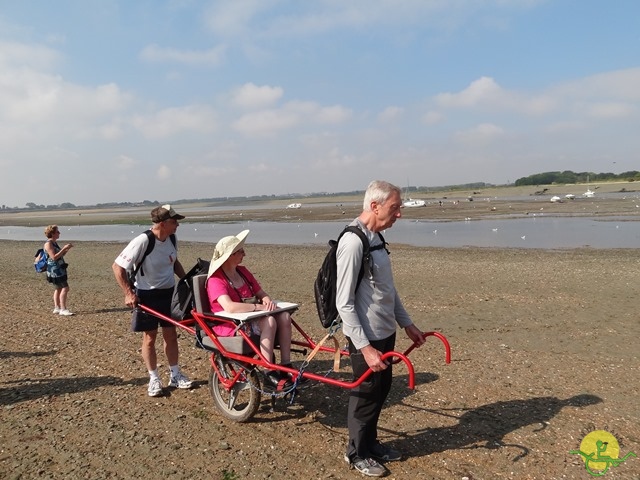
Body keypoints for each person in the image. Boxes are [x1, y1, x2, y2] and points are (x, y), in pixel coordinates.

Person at [337, 180, 426, 477]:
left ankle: (371, 444)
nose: (399, 213)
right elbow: (344, 303)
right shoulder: (353, 242)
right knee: (366, 395)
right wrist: (365, 347)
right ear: (374, 206)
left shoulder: (376, 238)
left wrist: (408, 324)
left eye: (399, 207)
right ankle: (356, 453)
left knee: (382, 389)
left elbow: (388, 290)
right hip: (367, 337)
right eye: (395, 207)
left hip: (386, 332)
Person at [112, 204, 192, 397]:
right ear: (163, 223)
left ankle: (175, 374)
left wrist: (187, 281)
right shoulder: (143, 240)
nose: (177, 226)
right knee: (149, 338)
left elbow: (174, 262)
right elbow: (117, 267)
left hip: (169, 293)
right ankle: (154, 378)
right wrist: (129, 293)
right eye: (174, 222)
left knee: (171, 335)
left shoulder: (172, 238)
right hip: (147, 294)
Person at [205, 230, 294, 389]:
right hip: (230, 324)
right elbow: (230, 307)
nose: (244, 254)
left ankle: (286, 365)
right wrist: (258, 307)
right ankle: (269, 371)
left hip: (250, 317)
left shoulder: (243, 272)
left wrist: (267, 300)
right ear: (230, 255)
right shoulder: (216, 280)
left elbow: (260, 292)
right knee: (270, 321)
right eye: (240, 251)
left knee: (285, 316)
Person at [43, 225, 74, 316]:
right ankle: (63, 309)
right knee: (65, 288)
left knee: (58, 288)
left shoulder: (53, 243)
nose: (59, 233)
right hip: (55, 270)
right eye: (57, 232)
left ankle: (57, 307)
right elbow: (54, 257)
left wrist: (66, 249)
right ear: (52, 233)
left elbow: (59, 255)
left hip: (58, 268)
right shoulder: (48, 244)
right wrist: (64, 248)